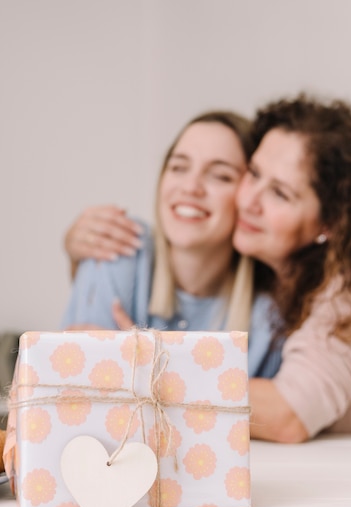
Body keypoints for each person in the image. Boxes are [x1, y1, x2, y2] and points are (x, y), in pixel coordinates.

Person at [65, 95, 351, 443]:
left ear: (330, 223)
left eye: (280, 193)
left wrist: (143, 358)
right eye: (254, 174)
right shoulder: (275, 274)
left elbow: (288, 415)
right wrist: (77, 256)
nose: (249, 201)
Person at [61, 111, 284, 378]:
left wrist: (143, 371)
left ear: (248, 196)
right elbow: (78, 394)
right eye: (179, 167)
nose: (191, 187)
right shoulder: (120, 245)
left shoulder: (269, 316)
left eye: (220, 176)